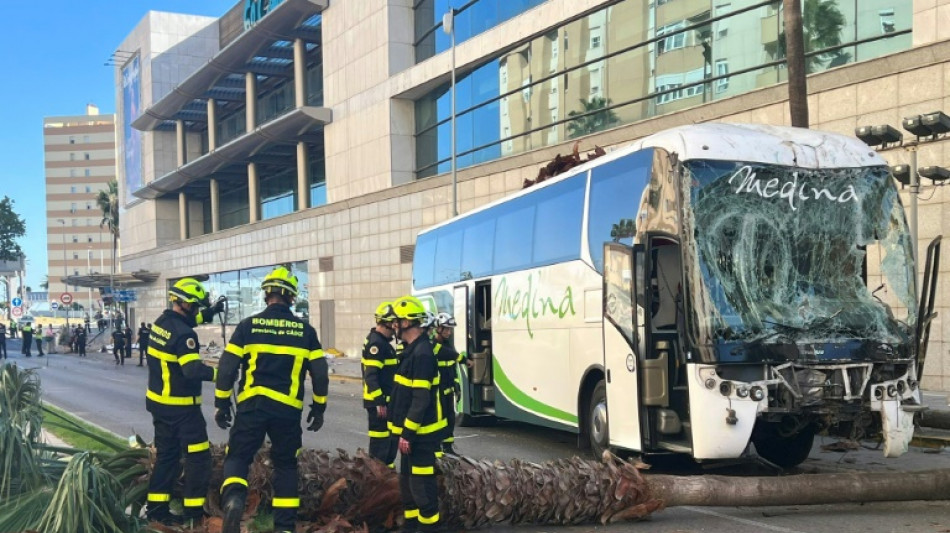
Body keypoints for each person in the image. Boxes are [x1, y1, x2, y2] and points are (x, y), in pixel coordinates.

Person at [214, 267, 327, 533]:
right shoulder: (305, 331)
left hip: (252, 406)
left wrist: (221, 403)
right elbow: (320, 373)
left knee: (238, 457)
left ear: (266, 295)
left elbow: (227, 368)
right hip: (287, 411)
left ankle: (233, 499)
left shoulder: (247, 327)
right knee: (286, 465)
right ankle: (285, 528)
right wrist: (319, 406)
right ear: (291, 297)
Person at [145, 278, 221, 526]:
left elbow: (186, 322)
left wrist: (211, 312)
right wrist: (220, 374)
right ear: (186, 304)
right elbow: (191, 370)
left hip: (159, 403)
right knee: (198, 457)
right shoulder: (184, 335)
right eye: (197, 306)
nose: (198, 311)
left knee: (167, 457)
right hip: (182, 408)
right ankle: (193, 513)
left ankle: (157, 510)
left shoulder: (162, 323)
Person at [388, 296, 446, 533]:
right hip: (410, 435)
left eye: (397, 321)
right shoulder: (411, 350)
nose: (394, 326)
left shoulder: (422, 354)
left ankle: (428, 528)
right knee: (408, 485)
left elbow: (420, 400)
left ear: (408, 322)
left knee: (422, 487)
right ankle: (411, 526)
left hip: (420, 436)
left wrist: (408, 433)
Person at [362, 301, 398, 467]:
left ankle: (385, 479)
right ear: (386, 323)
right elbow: (371, 376)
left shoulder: (382, 343)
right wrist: (380, 402)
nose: (396, 327)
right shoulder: (377, 344)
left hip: (384, 402)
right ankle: (376, 481)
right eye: (393, 323)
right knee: (380, 447)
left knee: (388, 445)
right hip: (378, 404)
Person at [431, 312, 464, 456]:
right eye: (446, 329)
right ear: (438, 328)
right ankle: (436, 447)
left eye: (450, 329)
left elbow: (453, 367)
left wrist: (457, 384)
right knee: (439, 420)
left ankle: (448, 446)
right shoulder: (433, 346)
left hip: (448, 389)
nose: (449, 332)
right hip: (438, 390)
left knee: (450, 419)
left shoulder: (449, 346)